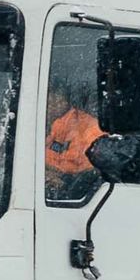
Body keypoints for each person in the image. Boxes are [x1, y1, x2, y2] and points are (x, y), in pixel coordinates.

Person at [44, 71, 103, 204]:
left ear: (63, 99)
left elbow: (89, 175)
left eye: (54, 96)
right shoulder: (33, 128)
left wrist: (60, 178)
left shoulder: (91, 130)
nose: (50, 102)